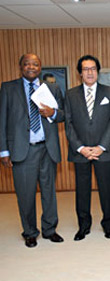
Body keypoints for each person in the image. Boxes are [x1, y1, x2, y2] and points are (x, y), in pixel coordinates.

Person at [0, 53, 64, 247]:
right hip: (23, 150)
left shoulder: (51, 88)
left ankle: (50, 229)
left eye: (35, 64)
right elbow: (1, 120)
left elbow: (63, 115)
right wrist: (3, 151)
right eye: (27, 64)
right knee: (25, 194)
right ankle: (29, 232)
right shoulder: (8, 88)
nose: (31, 67)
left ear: (40, 67)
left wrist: (53, 113)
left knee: (49, 192)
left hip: (47, 148)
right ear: (21, 67)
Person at [64, 55, 110, 241]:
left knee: (106, 190)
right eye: (86, 69)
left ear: (98, 71)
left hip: (103, 151)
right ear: (80, 73)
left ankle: (108, 224)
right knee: (82, 191)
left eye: (93, 68)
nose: (90, 72)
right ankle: (83, 226)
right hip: (81, 152)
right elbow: (69, 124)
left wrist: (101, 146)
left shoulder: (109, 92)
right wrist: (80, 148)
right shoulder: (71, 94)